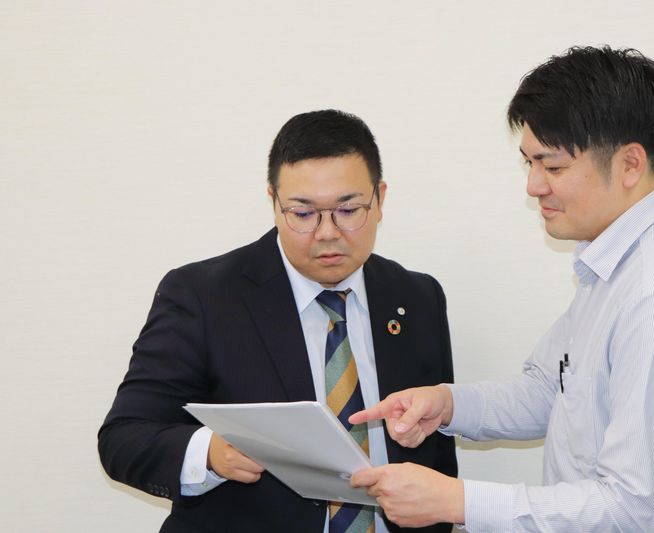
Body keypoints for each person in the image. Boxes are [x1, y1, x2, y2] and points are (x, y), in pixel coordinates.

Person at [349, 46, 654, 532]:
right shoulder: (614, 259)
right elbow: (553, 390)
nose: (534, 186)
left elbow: (630, 509)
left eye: (554, 167)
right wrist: (447, 404)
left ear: (630, 164)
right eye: (529, 162)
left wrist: (459, 501)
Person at [98, 109, 457, 533]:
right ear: (274, 202)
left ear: (379, 199)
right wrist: (210, 453)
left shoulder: (416, 297)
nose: (327, 232)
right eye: (303, 214)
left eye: (348, 209)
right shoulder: (203, 295)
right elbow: (124, 438)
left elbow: (436, 456)